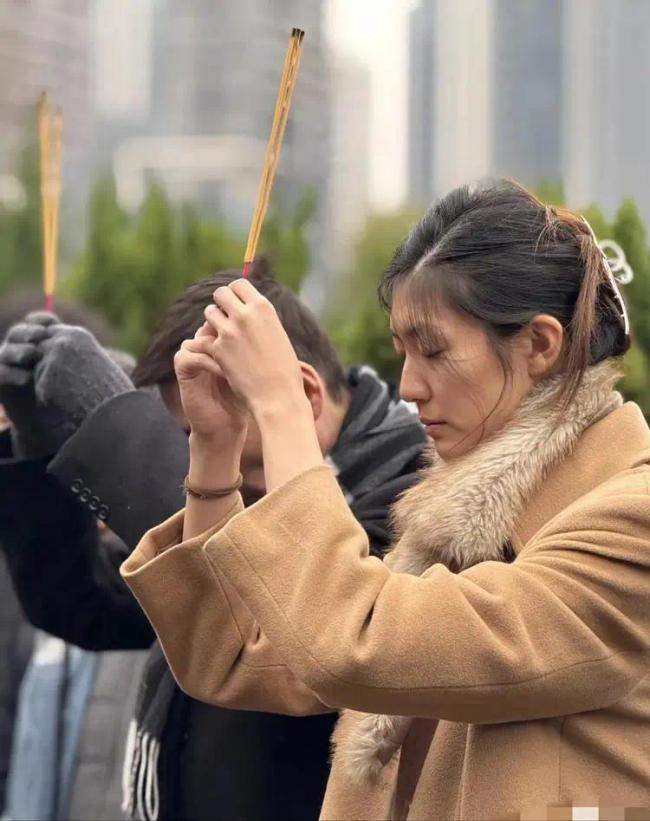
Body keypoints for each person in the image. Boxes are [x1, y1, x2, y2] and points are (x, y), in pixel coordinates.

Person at [123, 180, 650, 820]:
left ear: (540, 345)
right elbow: (235, 657)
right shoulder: (458, 525)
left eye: (433, 350)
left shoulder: (631, 523)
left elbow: (352, 641)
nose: (409, 386)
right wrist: (215, 447)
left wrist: (281, 408)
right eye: (403, 352)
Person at [0, 262, 426, 820]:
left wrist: (118, 425)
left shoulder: (415, 501)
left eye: (199, 430)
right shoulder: (255, 487)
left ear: (302, 393)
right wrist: (37, 436)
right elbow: (85, 603)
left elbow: (275, 601)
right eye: (188, 434)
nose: (200, 456)